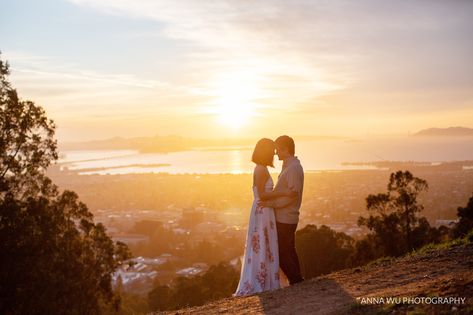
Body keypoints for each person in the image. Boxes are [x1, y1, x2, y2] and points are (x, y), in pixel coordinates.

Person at [234, 138, 297, 296]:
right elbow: (262, 195)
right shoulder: (261, 169)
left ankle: (266, 277)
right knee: (263, 243)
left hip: (264, 211)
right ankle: (263, 280)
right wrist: (285, 192)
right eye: (271, 150)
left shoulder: (261, 168)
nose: (274, 153)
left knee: (265, 244)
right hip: (263, 211)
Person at [258, 135, 304, 285]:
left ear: (286, 150)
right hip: (285, 216)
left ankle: (296, 280)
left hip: (286, 217)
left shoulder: (294, 168)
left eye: (278, 149)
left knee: (281, 251)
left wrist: (272, 205)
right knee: (289, 249)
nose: (276, 153)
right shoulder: (289, 166)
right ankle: (298, 280)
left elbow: (292, 196)